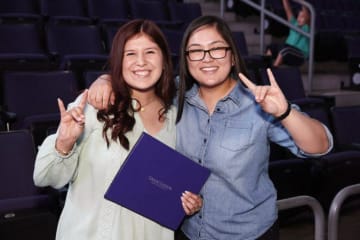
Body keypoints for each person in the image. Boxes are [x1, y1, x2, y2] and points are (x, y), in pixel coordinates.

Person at [88, 15, 333, 240]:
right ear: (186, 59)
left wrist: (285, 112)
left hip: (249, 234)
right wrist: (105, 79)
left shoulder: (260, 104)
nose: (206, 59)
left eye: (216, 49)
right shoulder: (174, 96)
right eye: (196, 51)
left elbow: (320, 147)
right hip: (188, 231)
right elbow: (140, 78)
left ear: (233, 55)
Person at [33, 19, 203, 240]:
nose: (141, 62)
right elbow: (44, 176)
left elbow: (176, 185)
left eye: (150, 52)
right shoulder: (95, 107)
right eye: (130, 54)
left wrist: (191, 202)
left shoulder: (178, 121)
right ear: (118, 62)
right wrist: (64, 143)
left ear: (163, 61)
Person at [265, 0, 311, 67]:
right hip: (288, 49)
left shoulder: (307, 27)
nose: (299, 19)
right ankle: (266, 68)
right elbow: (287, 9)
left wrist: (303, 3)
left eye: (302, 17)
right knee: (271, 48)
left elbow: (307, 16)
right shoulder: (294, 24)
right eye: (298, 16)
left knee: (285, 50)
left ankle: (274, 69)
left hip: (300, 54)